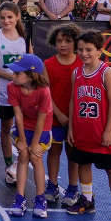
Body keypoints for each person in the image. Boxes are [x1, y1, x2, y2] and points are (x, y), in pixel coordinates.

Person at [66, 30, 111, 221]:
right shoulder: (76, 73)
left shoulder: (106, 73)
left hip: (103, 132)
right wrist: (71, 128)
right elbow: (73, 101)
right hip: (82, 131)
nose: (84, 53)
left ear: (99, 51)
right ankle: (87, 199)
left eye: (89, 50)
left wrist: (109, 130)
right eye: (81, 49)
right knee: (83, 164)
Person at [5, 54, 52, 218]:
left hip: (41, 128)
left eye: (18, 73)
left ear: (31, 75)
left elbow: (42, 119)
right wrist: (23, 141)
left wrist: (35, 144)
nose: (13, 76)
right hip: (23, 127)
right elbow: (18, 115)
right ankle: (19, 198)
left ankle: (40, 199)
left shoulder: (43, 91)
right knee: (23, 156)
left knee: (36, 157)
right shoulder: (12, 87)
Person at [0, 2, 29, 186]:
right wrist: (9, 75)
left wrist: (23, 78)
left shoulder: (23, 39)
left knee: (22, 129)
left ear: (17, 17)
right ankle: (9, 165)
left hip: (22, 94)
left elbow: (31, 63)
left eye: (10, 17)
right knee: (5, 128)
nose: (6, 20)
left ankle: (20, 163)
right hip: (2, 93)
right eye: (3, 17)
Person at [42, 23, 82, 206]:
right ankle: (52, 185)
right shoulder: (48, 64)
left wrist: (73, 118)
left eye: (67, 41)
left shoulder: (82, 63)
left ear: (75, 42)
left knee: (73, 154)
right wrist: (59, 115)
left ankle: (73, 188)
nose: (63, 44)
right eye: (59, 41)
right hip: (55, 118)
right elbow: (46, 93)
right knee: (54, 151)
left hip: (77, 120)